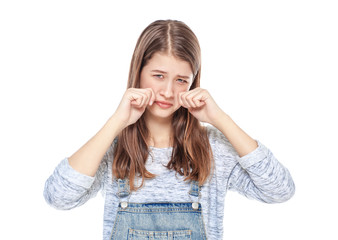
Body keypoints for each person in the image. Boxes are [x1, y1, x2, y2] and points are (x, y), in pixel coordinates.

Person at [44, 19, 295, 240]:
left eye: (181, 80)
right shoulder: (112, 149)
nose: (167, 92)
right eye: (158, 75)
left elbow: (280, 190)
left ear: (192, 83)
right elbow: (58, 197)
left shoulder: (214, 149)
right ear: (138, 73)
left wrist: (219, 118)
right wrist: (116, 122)